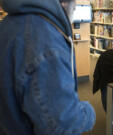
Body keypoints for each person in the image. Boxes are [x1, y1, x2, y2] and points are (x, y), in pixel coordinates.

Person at [0, 0, 96, 135]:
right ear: (64, 3)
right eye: (74, 10)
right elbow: (63, 125)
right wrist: (88, 112)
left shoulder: (8, 24)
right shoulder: (46, 41)